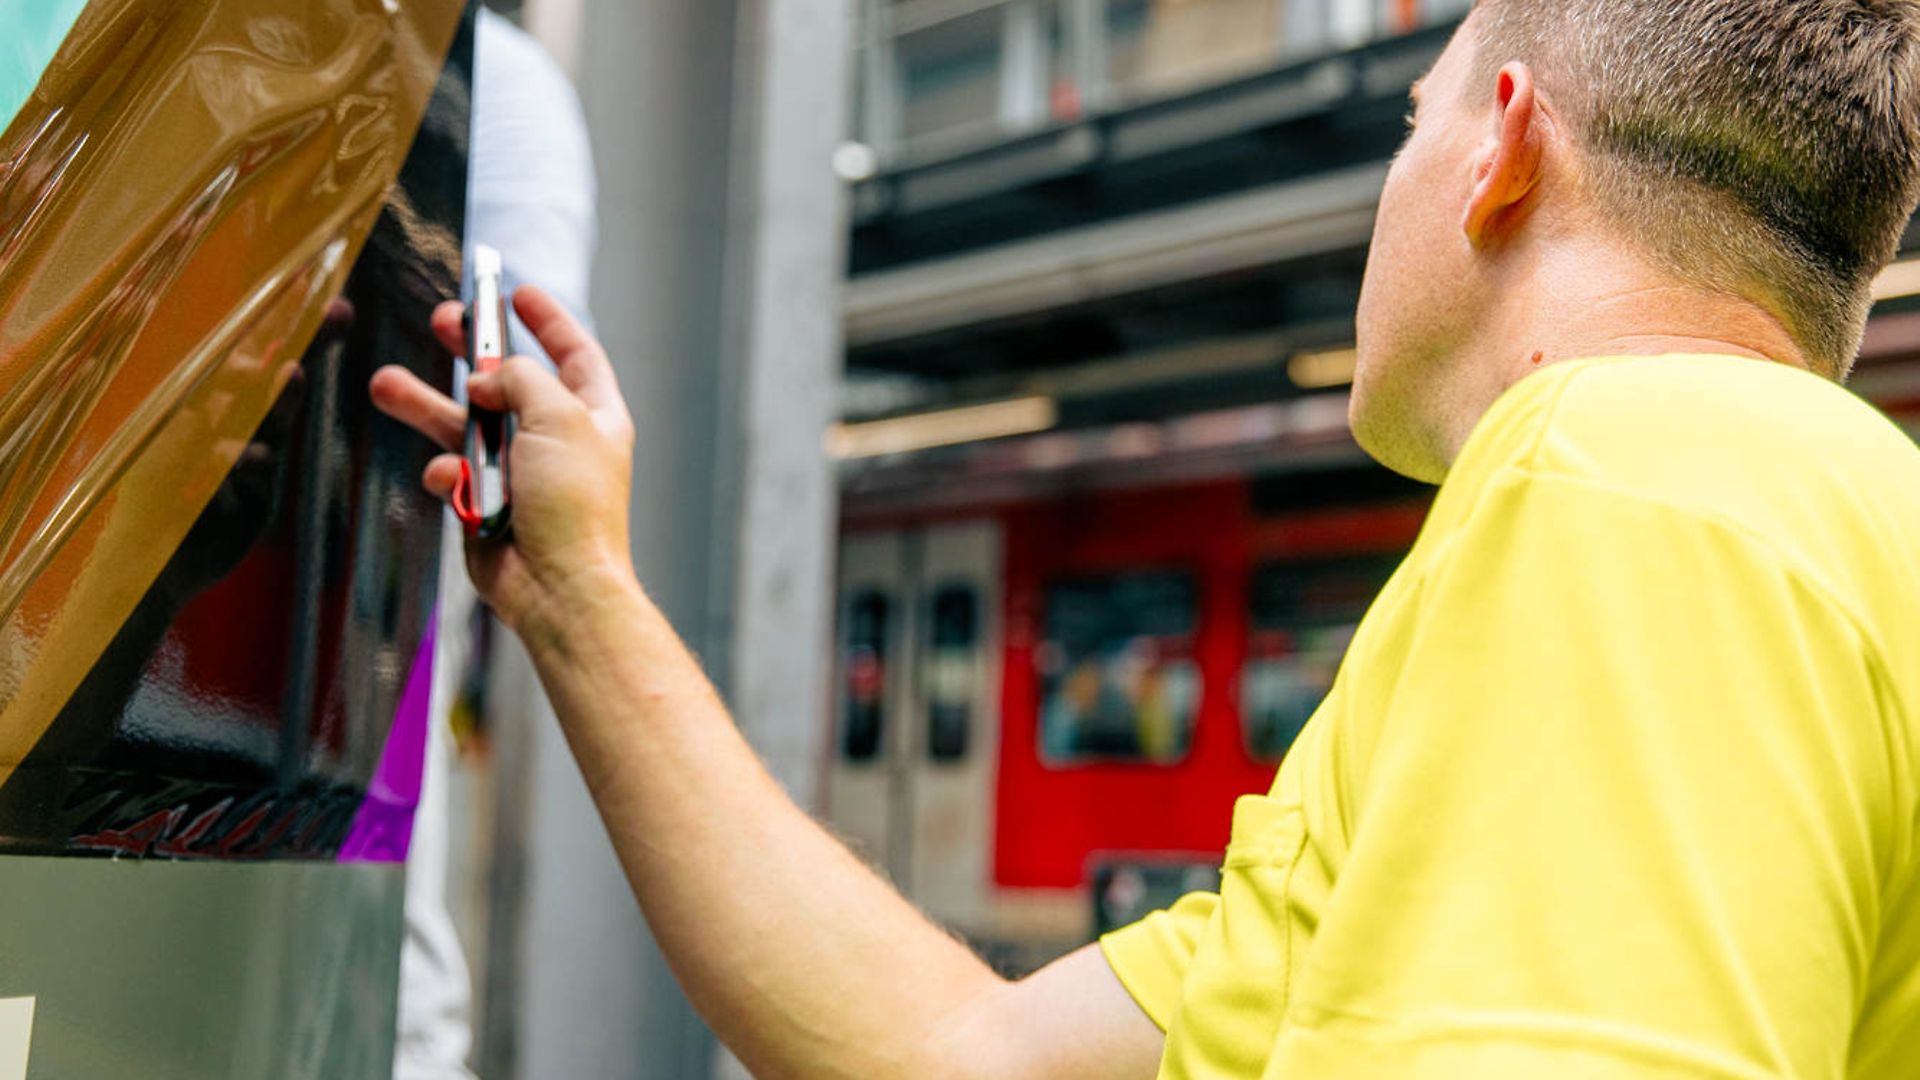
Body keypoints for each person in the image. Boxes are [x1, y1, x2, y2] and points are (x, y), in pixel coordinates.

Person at [371, 1, 1920, 1076]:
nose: (1389, 178)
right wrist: (579, 588)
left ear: (1501, 152)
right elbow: (956, 1057)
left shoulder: (1628, 480)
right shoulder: (1768, 516)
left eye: (1411, 119)